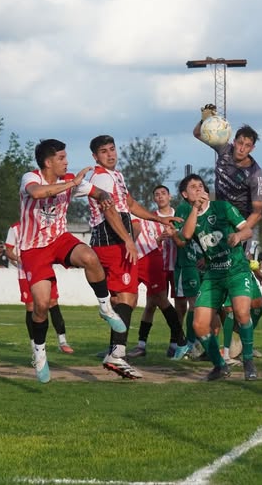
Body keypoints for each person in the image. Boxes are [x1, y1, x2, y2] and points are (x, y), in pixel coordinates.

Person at [19, 138, 126, 383]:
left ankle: (105, 307)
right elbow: (37, 193)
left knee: (90, 257)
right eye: (61, 158)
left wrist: (103, 196)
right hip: (33, 248)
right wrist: (73, 183)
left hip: (59, 239)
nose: (66, 162)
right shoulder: (30, 177)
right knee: (42, 306)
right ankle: (39, 351)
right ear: (48, 162)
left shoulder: (69, 180)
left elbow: (97, 191)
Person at [87, 135, 177, 380]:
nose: (110, 154)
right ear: (95, 156)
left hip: (111, 240)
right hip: (112, 241)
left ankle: (116, 352)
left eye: (112, 149)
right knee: (128, 297)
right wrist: (128, 240)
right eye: (104, 151)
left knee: (120, 299)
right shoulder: (102, 176)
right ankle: (116, 355)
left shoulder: (115, 175)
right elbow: (110, 210)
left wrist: (157, 218)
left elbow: (129, 203)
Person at [194, 105, 262, 361]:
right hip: (216, 221)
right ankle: (222, 346)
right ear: (234, 140)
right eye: (240, 142)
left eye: (248, 145)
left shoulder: (256, 175)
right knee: (226, 287)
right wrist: (205, 120)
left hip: (238, 225)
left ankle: (232, 342)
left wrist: (241, 233)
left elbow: (257, 212)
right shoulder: (223, 149)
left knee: (248, 301)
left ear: (252, 148)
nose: (242, 148)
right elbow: (198, 134)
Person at [175, 173, 257, 381]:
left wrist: (238, 236)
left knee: (241, 312)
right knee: (199, 325)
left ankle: (248, 360)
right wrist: (195, 208)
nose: (199, 189)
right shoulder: (189, 216)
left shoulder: (222, 207)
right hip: (213, 275)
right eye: (193, 187)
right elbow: (185, 235)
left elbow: (248, 231)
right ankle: (220, 366)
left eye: (201, 186)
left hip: (236, 270)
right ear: (185, 195)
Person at [127, 185, 187, 360]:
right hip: (158, 265)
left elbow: (186, 238)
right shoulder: (149, 218)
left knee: (181, 306)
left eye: (163, 193)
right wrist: (160, 239)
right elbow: (148, 240)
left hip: (177, 266)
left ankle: (174, 343)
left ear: (170, 196)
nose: (160, 197)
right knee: (153, 303)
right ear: (154, 199)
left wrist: (175, 235)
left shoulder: (179, 216)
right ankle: (142, 345)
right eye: (157, 195)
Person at [6, 221, 73, 355]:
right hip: (25, 274)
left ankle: (62, 341)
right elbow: (8, 251)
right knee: (31, 306)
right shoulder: (15, 228)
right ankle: (35, 345)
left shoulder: (43, 225)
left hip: (44, 270)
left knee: (52, 302)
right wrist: (19, 259)